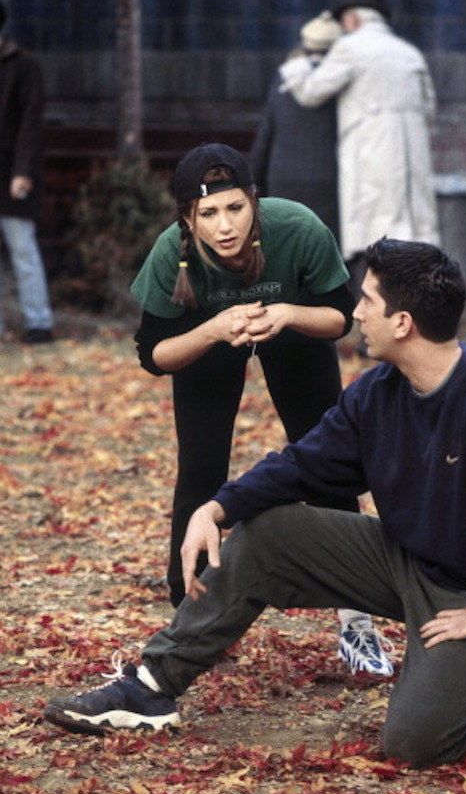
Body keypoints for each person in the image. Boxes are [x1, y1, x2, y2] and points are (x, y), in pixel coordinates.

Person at [44, 239, 466, 769]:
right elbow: (302, 465)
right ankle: (152, 688)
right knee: (271, 535)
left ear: (403, 323)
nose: (356, 313)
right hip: (413, 560)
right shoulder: (378, 392)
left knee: (415, 740)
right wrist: (216, 509)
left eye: (368, 301)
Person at [129, 142, 392, 676]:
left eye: (235, 208)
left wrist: (289, 312)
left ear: (255, 202)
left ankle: (357, 622)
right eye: (207, 213)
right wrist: (212, 329)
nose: (224, 225)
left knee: (329, 459)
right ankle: (191, 619)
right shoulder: (169, 252)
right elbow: (153, 356)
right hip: (208, 335)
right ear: (188, 217)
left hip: (292, 325)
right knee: (200, 469)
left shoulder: (297, 227)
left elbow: (342, 318)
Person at [280, 0, 439, 294]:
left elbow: (311, 92)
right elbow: (430, 110)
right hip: (412, 166)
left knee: (375, 238)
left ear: (352, 19)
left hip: (372, 160)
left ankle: (374, 326)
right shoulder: (410, 52)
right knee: (412, 241)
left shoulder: (350, 48)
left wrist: (297, 64)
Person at [248, 11, 341, 244]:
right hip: (329, 180)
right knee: (324, 251)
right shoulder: (340, 82)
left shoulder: (284, 77)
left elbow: (265, 137)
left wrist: (251, 182)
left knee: (286, 249)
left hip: (283, 179)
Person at [0, 0, 53, 344]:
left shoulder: (23, 66)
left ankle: (39, 322)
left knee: (22, 249)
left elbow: (31, 123)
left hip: (10, 173)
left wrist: (22, 172)